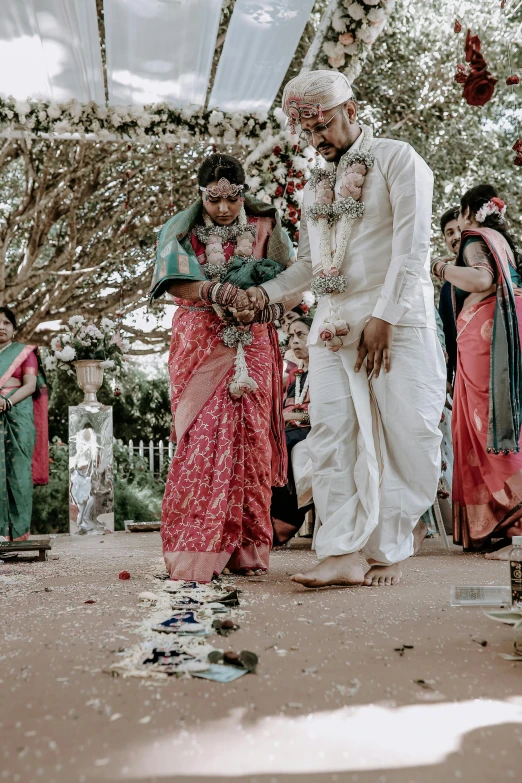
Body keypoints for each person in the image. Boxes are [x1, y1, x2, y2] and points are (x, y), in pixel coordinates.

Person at [245, 70, 446, 587]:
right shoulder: (317, 187)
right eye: (307, 133)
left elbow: (412, 247)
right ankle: (340, 551)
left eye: (324, 127)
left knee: (407, 434)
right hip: (333, 325)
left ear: (352, 111)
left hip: (393, 320)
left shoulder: (399, 160)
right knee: (332, 434)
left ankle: (386, 546)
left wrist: (385, 316)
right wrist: (260, 296)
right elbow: (311, 267)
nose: (317, 142)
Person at [149, 153, 295, 582]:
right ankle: (196, 548)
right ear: (202, 195)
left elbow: (289, 283)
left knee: (251, 440)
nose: (225, 208)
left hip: (254, 341)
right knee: (201, 440)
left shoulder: (266, 227)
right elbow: (170, 282)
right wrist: (212, 290)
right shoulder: (182, 230)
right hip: (200, 339)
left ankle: (245, 549)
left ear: (244, 193)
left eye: (233, 198)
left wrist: (262, 307)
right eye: (214, 199)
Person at [432, 184, 522, 559]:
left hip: (486, 342)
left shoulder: (475, 238)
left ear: (470, 211)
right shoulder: (503, 243)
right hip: (501, 335)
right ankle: (503, 529)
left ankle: (516, 530)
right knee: (503, 423)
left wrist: (439, 267)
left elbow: (482, 280)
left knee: (489, 425)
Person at [0, 307, 48, 541]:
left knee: (18, 473)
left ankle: (18, 535)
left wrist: (6, 402)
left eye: (6, 323)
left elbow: (30, 385)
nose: (1, 327)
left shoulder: (24, 352)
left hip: (17, 414)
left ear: (14, 328)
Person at [271, 316, 313, 545]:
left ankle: (285, 521)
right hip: (289, 430)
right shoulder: (296, 375)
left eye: (301, 335)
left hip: (309, 432)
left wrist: (290, 417)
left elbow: (322, 415)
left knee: (282, 446)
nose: (294, 341)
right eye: (291, 337)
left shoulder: (326, 371)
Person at [437, 207, 460, 389]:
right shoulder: (447, 289)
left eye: (460, 229)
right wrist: (447, 376)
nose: (456, 237)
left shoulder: (496, 271)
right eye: (450, 233)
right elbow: (447, 335)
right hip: (465, 373)